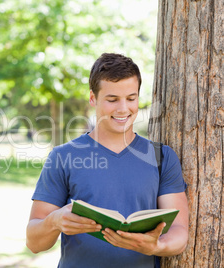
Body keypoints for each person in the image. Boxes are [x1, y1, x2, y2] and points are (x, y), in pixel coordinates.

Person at [26, 53, 189, 268]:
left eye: (131, 98)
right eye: (112, 100)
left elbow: (179, 232)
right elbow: (34, 242)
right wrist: (55, 221)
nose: (123, 109)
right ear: (93, 98)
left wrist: (156, 247)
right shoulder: (63, 157)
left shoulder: (162, 157)